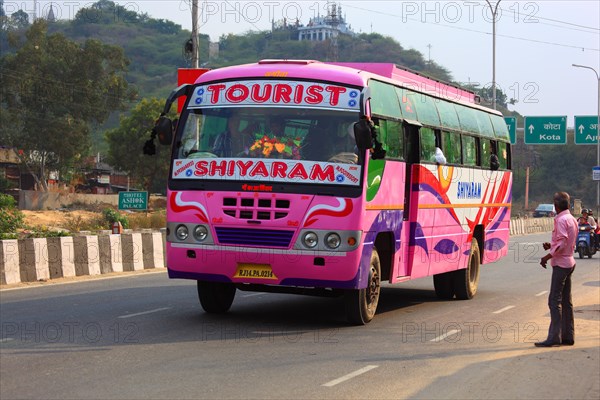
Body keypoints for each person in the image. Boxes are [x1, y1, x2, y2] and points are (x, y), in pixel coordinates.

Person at [536, 191, 578, 347]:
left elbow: (561, 243)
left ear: (556, 205)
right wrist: (551, 246)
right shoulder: (572, 219)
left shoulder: (560, 220)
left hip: (561, 264)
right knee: (567, 301)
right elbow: (564, 242)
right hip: (570, 262)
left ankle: (554, 337)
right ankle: (568, 336)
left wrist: (547, 256)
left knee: (554, 300)